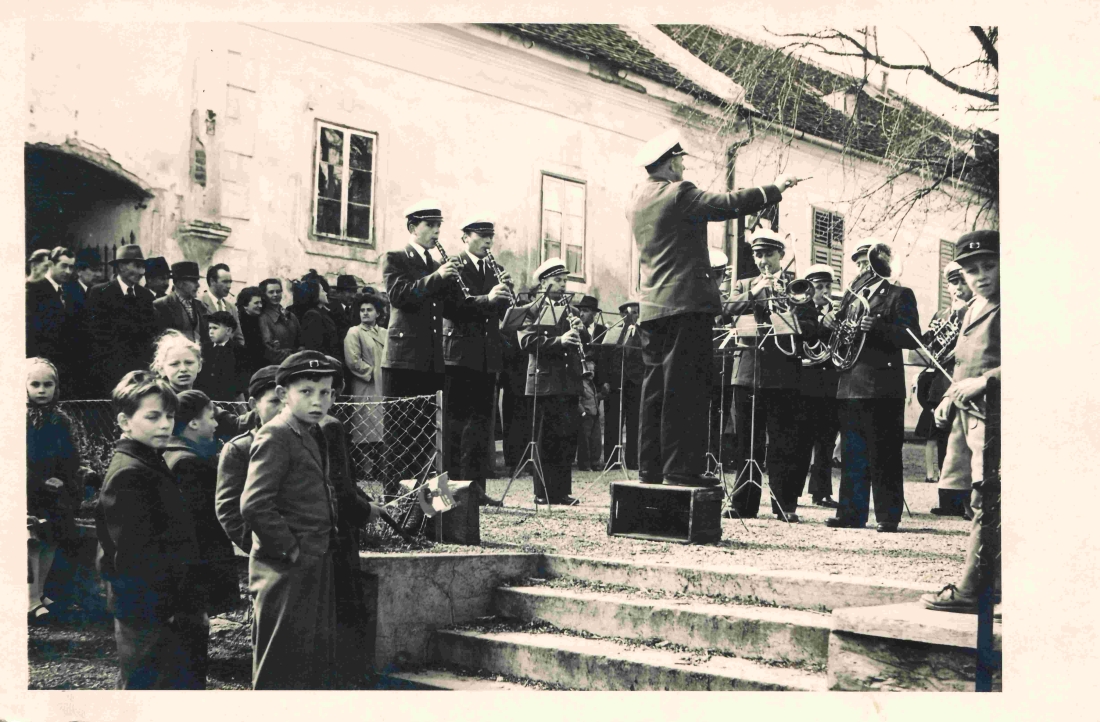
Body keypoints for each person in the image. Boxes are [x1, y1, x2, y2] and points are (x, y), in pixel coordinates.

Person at [628, 128, 802, 488]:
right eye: (680, 160)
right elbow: (726, 204)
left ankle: (651, 468)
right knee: (687, 390)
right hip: (685, 306)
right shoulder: (679, 193)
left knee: (654, 391)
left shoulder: (636, 199)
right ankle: (682, 470)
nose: (683, 166)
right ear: (669, 163)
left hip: (651, 308)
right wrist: (775, 189)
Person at [94, 370, 207, 689]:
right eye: (153, 416)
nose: (164, 424)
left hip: (163, 605)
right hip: (149, 611)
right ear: (125, 421)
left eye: (169, 416)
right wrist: (169, 610)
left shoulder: (149, 460)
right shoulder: (130, 473)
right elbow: (133, 556)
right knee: (150, 688)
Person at [240, 351, 341, 689]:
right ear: (283, 394)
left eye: (325, 392)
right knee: (279, 663)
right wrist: (290, 548)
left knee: (307, 660)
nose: (318, 401)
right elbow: (255, 504)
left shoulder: (310, 431)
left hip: (313, 560)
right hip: (285, 566)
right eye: (307, 391)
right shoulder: (276, 434)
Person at [920, 230, 1001, 614]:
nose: (980, 276)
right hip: (973, 420)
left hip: (1001, 419)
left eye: (989, 266)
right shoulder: (973, 308)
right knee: (983, 498)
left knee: (992, 500)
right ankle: (990, 587)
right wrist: (949, 396)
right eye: (971, 270)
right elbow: (965, 361)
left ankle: (973, 589)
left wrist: (987, 381)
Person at [723, 229, 822, 521]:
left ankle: (784, 505)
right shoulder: (744, 284)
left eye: (768, 254)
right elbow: (726, 311)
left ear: (781, 255)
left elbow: (811, 328)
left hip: (783, 375)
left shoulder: (797, 286)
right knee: (747, 442)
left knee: (784, 442)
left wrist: (790, 314)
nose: (763, 261)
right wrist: (754, 293)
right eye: (758, 255)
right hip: (747, 373)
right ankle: (743, 503)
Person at [825, 241, 921, 532]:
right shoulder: (852, 297)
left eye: (867, 262)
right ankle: (851, 514)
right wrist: (830, 322)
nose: (862, 268)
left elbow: (912, 337)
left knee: (885, 453)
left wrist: (878, 328)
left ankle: (887, 516)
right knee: (852, 453)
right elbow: (841, 333)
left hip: (882, 386)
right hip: (850, 383)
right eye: (859, 263)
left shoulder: (899, 294)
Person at [379, 200, 464, 497]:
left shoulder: (435, 265)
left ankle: (428, 506)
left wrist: (468, 289)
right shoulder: (395, 258)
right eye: (430, 225)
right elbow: (399, 295)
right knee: (400, 435)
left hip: (432, 360)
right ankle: (396, 502)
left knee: (429, 437)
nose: (436, 231)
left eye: (439, 225)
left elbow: (452, 308)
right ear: (412, 227)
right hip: (402, 361)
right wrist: (438, 277)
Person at [441, 213, 514, 501]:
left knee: (482, 427)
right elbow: (452, 308)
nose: (487, 241)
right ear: (465, 237)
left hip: (487, 356)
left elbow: (499, 314)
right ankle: (452, 492)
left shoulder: (496, 269)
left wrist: (507, 297)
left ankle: (476, 491)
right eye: (481, 236)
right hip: (459, 356)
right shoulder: (454, 267)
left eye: (490, 236)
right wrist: (489, 299)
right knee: (455, 426)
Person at [512, 258, 586, 505]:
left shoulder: (573, 311)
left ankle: (562, 492)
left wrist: (581, 331)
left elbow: (584, 346)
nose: (563, 285)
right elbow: (526, 342)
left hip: (569, 381)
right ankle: (542, 492)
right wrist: (559, 341)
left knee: (566, 438)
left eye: (565, 280)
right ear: (544, 283)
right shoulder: (530, 309)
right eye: (557, 280)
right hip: (544, 382)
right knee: (545, 439)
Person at [163, 390, 240, 617]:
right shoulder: (190, 464)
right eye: (212, 417)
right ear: (194, 423)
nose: (216, 424)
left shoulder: (172, 453)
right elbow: (203, 525)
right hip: (200, 564)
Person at [26, 358, 83, 622]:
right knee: (32, 543)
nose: (41, 390)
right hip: (30, 491)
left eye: (47, 384)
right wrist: (39, 481)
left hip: (54, 491)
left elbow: (71, 456)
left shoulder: (60, 419)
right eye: (35, 384)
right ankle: (30, 599)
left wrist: (64, 479)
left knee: (50, 540)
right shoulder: (18, 418)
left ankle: (39, 591)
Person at [215, 365, 283, 554]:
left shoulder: (311, 440)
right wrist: (268, 549)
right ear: (253, 404)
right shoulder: (240, 449)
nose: (283, 409)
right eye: (275, 401)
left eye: (288, 401)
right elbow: (229, 512)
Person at [926, 261, 975, 517]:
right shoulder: (941, 315)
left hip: (965, 381)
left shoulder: (975, 312)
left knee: (966, 442)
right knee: (944, 440)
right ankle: (948, 500)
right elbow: (930, 349)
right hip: (942, 384)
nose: (958, 288)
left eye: (962, 282)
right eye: (953, 283)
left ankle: (968, 501)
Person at [791, 264, 841, 508]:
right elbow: (803, 336)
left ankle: (821, 492)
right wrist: (824, 325)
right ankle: (793, 493)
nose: (825, 292)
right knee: (802, 440)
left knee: (827, 441)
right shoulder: (801, 309)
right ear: (809, 289)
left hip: (831, 382)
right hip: (806, 382)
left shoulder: (839, 311)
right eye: (819, 287)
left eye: (828, 286)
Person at [85, 244, 159, 397]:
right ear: (121, 266)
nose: (142, 272)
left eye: (142, 267)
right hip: (109, 374)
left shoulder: (146, 296)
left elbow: (150, 335)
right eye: (137, 266)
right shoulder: (100, 292)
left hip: (139, 375)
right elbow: (95, 337)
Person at [150, 330, 242, 440]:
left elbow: (233, 424)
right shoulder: (159, 401)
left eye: (189, 362)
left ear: (199, 366)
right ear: (161, 369)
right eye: (174, 364)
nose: (183, 369)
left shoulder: (199, 399)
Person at [343, 294, 386, 480]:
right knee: (364, 426)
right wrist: (373, 373)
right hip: (365, 384)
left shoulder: (384, 332)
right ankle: (366, 471)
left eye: (369, 310)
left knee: (382, 426)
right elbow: (353, 360)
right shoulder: (354, 332)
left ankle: (381, 470)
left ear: (378, 313)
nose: (365, 313)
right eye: (362, 310)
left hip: (383, 385)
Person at [603, 301, 643, 471]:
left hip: (636, 383)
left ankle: (632, 460)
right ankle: (611, 460)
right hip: (615, 382)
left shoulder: (643, 333)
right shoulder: (613, 333)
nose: (632, 316)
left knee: (634, 423)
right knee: (613, 421)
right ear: (621, 315)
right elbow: (605, 358)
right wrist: (605, 380)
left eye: (635, 313)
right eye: (628, 313)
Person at [570, 295, 606, 472]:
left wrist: (603, 383)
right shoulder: (574, 328)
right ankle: (582, 460)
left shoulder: (602, 330)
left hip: (594, 380)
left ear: (594, 313)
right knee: (583, 421)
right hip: (579, 378)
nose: (582, 314)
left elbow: (605, 359)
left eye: (585, 311)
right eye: (580, 311)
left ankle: (594, 459)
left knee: (594, 422)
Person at [26, 246, 75, 368]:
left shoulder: (66, 290)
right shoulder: (34, 289)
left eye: (71, 267)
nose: (68, 271)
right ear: (51, 264)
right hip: (44, 362)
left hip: (63, 362)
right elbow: (32, 332)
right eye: (64, 266)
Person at [153, 261, 209, 345]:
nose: (198, 285)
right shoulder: (160, 305)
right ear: (179, 284)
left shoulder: (201, 306)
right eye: (194, 281)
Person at [195, 311, 245, 401]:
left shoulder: (239, 351)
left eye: (215, 328)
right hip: (204, 398)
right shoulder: (204, 349)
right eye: (210, 328)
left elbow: (242, 380)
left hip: (228, 399)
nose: (211, 332)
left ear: (228, 331)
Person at [257, 278, 302, 365]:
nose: (275, 295)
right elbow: (269, 350)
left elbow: (301, 341)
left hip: (296, 363)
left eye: (278, 291)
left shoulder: (291, 316)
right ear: (264, 295)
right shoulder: (263, 318)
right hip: (276, 367)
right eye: (271, 292)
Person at [200, 263, 245, 347]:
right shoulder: (200, 303)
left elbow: (239, 337)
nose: (229, 286)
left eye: (230, 282)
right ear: (212, 281)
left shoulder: (231, 307)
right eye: (225, 282)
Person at [298, 277, 342, 358]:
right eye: (322, 291)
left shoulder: (323, 312)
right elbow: (315, 348)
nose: (326, 293)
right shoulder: (312, 315)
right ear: (315, 294)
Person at [235, 286, 268, 380]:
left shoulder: (259, 319)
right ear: (245, 305)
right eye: (256, 303)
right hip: (246, 369)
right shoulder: (239, 322)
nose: (260, 306)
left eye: (261, 302)